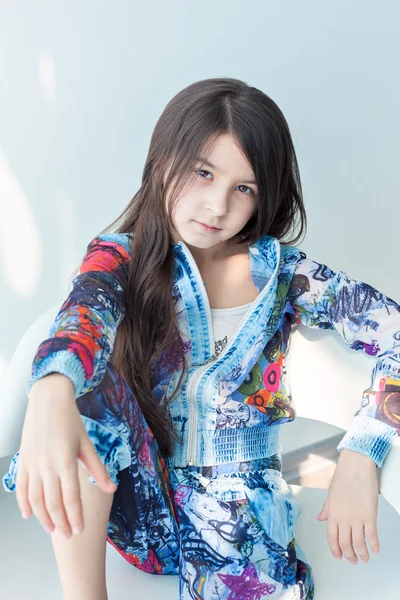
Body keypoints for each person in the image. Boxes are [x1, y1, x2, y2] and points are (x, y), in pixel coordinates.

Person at [2, 77, 400, 600]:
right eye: (203, 172)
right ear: (163, 161)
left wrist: (362, 454)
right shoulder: (119, 258)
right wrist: (50, 392)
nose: (216, 206)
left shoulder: (286, 276)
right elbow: (80, 320)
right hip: (138, 504)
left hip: (240, 511)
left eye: (243, 188)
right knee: (81, 390)